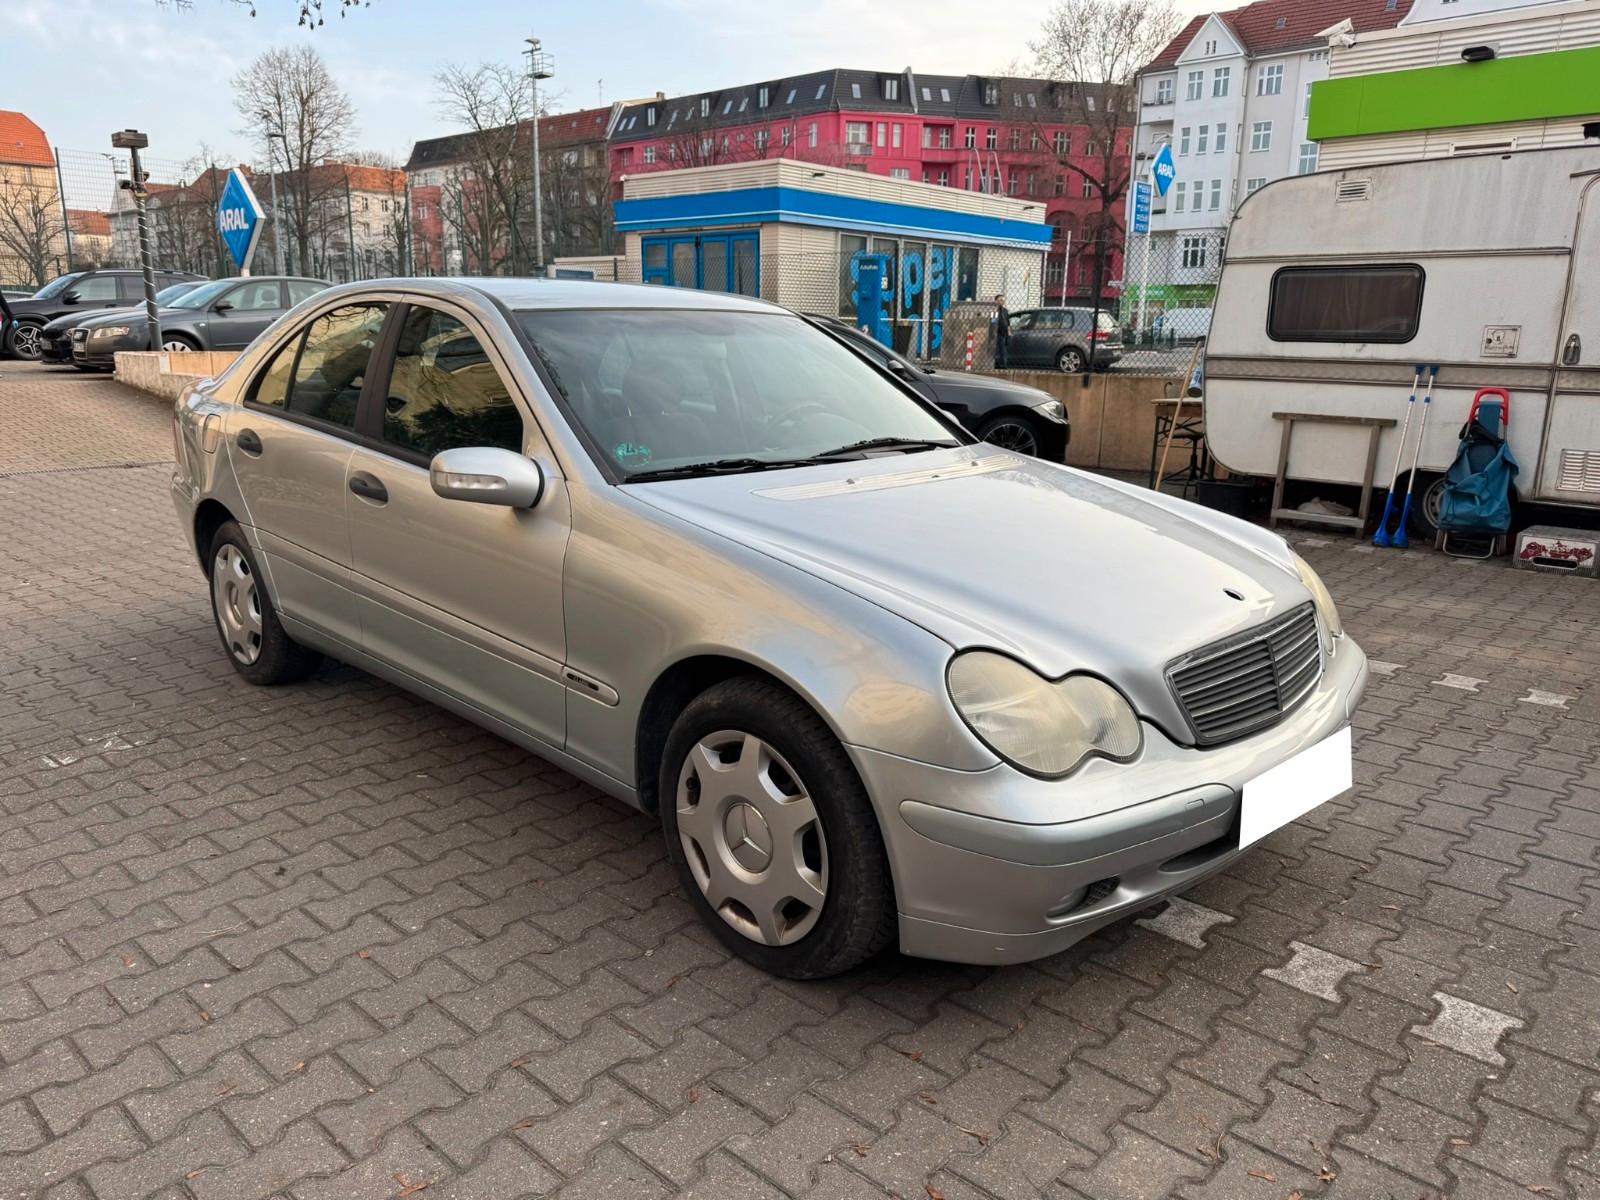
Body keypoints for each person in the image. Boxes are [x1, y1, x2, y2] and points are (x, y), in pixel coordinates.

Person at [993, 293, 1010, 369]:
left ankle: (1003, 364)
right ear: (996, 301)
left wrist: (1009, 333)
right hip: (996, 332)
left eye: (1003, 300)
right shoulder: (994, 310)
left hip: (1003, 333)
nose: (1001, 302)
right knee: (995, 349)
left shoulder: (1005, 311)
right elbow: (993, 321)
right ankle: (996, 364)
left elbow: (1007, 323)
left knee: (1003, 349)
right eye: (1000, 300)